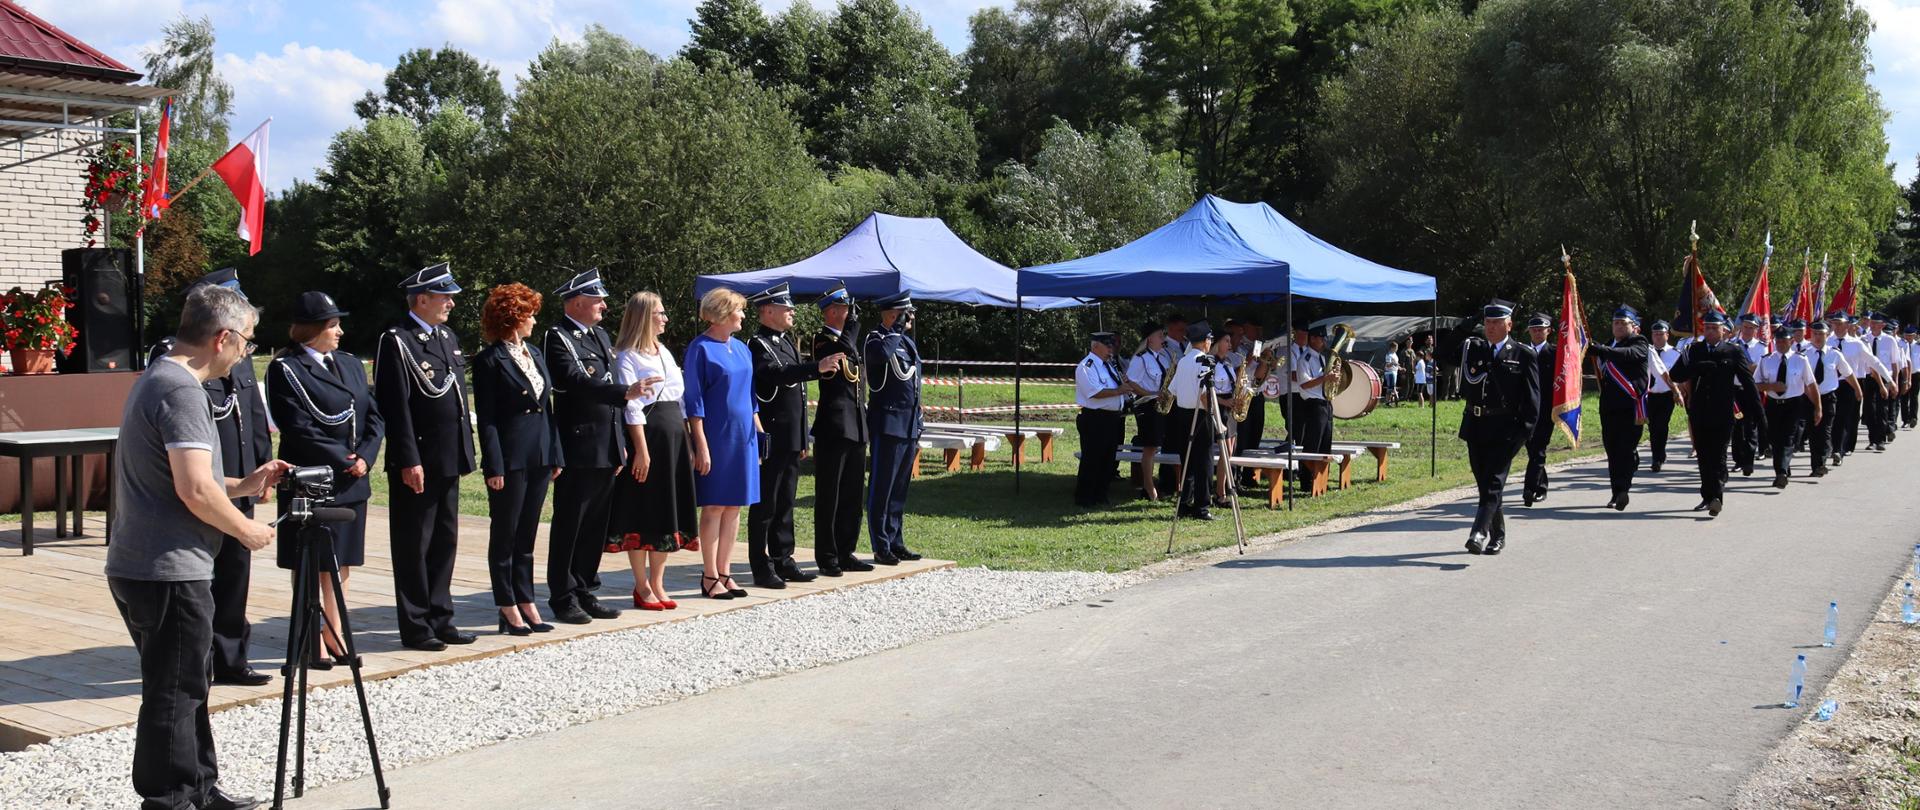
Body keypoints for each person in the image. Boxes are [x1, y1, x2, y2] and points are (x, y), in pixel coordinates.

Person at [109, 284, 291, 810]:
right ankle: (168, 799)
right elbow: (193, 490)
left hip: (149, 562)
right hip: (167, 567)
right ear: (223, 337)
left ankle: (200, 789)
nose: (246, 353)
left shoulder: (160, 378)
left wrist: (243, 483)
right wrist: (244, 528)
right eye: (248, 343)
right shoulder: (183, 390)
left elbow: (188, 478)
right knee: (174, 692)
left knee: (189, 683)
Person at [145, 268, 275, 688]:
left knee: (236, 574)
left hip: (234, 476)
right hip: (199, 478)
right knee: (205, 577)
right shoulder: (175, 363)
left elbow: (253, 417)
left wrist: (261, 467)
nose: (243, 345)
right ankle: (201, 659)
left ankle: (231, 657)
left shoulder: (238, 357)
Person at [267, 291, 385, 666]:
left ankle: (335, 631)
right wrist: (343, 458)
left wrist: (365, 457)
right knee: (310, 559)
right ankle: (309, 636)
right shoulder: (286, 368)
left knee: (342, 559)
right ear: (312, 329)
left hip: (353, 477)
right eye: (332, 325)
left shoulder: (349, 363)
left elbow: (373, 416)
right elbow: (297, 426)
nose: (340, 332)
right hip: (315, 477)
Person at [374, 262, 478, 651]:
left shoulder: (446, 336)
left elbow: (455, 401)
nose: (451, 302)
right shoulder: (397, 341)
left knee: (444, 540)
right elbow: (395, 406)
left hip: (448, 455)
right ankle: (416, 624)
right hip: (418, 458)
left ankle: (441, 616)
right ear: (422, 299)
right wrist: (407, 459)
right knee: (414, 543)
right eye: (444, 296)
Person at [543, 269, 650, 623]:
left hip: (606, 443)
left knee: (594, 525)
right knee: (571, 521)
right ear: (576, 302)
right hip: (578, 442)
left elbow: (609, 384)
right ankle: (562, 594)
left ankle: (584, 587)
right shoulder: (558, 337)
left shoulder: (600, 335)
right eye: (597, 300)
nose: (604, 305)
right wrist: (624, 393)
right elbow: (574, 382)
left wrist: (620, 442)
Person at [472, 283, 563, 635]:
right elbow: (488, 417)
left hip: (539, 452)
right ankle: (506, 604)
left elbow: (547, 408)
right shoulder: (489, 361)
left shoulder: (535, 354)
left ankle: (526, 600)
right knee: (506, 533)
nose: (534, 321)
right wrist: (494, 465)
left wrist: (554, 452)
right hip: (510, 456)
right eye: (529, 314)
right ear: (513, 317)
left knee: (527, 533)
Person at [746, 282, 840, 587]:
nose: (792, 312)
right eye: (786, 308)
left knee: (786, 501)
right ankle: (761, 566)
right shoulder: (758, 345)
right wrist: (817, 366)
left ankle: (783, 559)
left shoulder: (786, 342)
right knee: (766, 505)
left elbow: (798, 395)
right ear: (767, 311)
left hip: (790, 436)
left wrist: (802, 437)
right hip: (772, 435)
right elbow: (777, 375)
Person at [608, 291, 696, 608]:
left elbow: (681, 400)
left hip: (673, 434)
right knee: (643, 509)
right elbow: (631, 407)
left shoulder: (665, 353)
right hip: (648, 435)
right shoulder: (627, 356)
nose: (665, 318)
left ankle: (658, 582)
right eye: (660, 313)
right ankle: (641, 584)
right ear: (645, 316)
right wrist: (641, 450)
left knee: (666, 510)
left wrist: (688, 441)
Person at [686, 288, 763, 597]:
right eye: (738, 311)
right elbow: (694, 401)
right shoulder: (699, 348)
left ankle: (725, 571)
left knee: (735, 506)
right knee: (715, 506)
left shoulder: (742, 349)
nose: (743, 315)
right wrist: (700, 445)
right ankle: (708, 576)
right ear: (722, 313)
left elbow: (751, 395)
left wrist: (758, 432)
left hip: (744, 436)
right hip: (716, 437)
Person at [1457, 302, 1539, 555]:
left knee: (1493, 482)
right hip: (1476, 425)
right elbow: (1445, 351)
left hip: (1506, 429)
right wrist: (1468, 322)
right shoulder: (1475, 349)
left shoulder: (1524, 354)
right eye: (1488, 322)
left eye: (1496, 323)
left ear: (1509, 325)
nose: (1490, 327)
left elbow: (1533, 401)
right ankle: (1499, 535)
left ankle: (1478, 532)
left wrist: (1522, 435)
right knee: (1485, 483)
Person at [1668, 311, 1762, 516]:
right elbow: (1675, 374)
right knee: (1703, 456)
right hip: (1700, 410)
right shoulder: (1694, 349)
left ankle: (1717, 496)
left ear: (1724, 331)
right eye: (1707, 328)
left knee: (1718, 455)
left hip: (1723, 411)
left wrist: (1759, 413)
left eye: (1714, 328)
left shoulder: (1733, 351)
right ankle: (1707, 496)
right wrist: (1696, 368)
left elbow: (1748, 382)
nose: (1710, 331)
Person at [810, 283, 873, 576]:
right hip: (833, 429)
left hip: (856, 426)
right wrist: (852, 328)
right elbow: (843, 350)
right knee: (829, 496)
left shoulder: (848, 339)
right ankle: (827, 555)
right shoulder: (822, 340)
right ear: (833, 311)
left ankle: (846, 550)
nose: (850, 315)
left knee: (852, 495)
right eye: (846, 309)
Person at [863, 290, 925, 565]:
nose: (910, 317)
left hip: (909, 424)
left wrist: (919, 420)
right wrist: (895, 329)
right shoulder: (876, 339)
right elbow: (880, 358)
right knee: (882, 488)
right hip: (887, 424)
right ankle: (881, 544)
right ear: (891, 314)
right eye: (905, 313)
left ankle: (896, 540)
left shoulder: (907, 345)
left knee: (900, 489)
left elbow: (914, 382)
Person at [1586, 306, 1657, 511]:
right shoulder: (1608, 344)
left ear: (1633, 326)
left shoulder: (1639, 342)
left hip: (1631, 407)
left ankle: (1622, 490)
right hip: (1608, 407)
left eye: (1622, 323)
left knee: (1624, 449)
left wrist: (1600, 349)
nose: (1618, 326)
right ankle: (1616, 491)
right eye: (1615, 323)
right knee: (1612, 450)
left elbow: (1627, 355)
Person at [1755, 323, 1819, 488]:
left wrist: (1818, 407)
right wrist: (1771, 387)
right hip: (1773, 404)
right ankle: (1783, 468)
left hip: (1794, 404)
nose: (1781, 344)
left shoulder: (1801, 360)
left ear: (1791, 341)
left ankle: (1781, 473)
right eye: (1778, 341)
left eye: (1784, 341)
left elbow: (1811, 385)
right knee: (1776, 439)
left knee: (1789, 438)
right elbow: (1755, 384)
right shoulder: (1766, 360)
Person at [1075, 331, 1134, 507]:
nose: (1111, 349)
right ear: (1095, 346)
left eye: (1111, 345)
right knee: (1092, 458)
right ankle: (1085, 497)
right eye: (1107, 346)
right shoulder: (1087, 366)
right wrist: (1119, 391)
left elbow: (1118, 387)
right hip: (1095, 418)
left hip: (1112, 418)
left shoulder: (1108, 365)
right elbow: (1094, 393)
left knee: (1108, 459)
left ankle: (1101, 494)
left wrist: (1124, 385)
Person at [1167, 321, 1219, 521]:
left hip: (1183, 414)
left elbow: (1172, 390)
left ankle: (1185, 502)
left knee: (1187, 460)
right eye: (1210, 340)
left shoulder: (1183, 361)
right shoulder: (1204, 361)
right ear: (1205, 341)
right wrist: (1215, 417)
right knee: (1204, 461)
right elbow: (1205, 394)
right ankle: (1202, 506)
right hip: (1201, 414)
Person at [1804, 320, 1859, 478]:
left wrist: (1858, 389)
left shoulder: (1834, 353)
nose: (1818, 337)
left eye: (1821, 334)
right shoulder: (1803, 354)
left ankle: (1820, 465)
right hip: (1808, 398)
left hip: (1828, 397)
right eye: (1815, 334)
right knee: (1813, 433)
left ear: (1828, 335)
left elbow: (1848, 373)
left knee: (1825, 431)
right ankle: (1816, 463)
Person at [1126, 323, 1171, 501]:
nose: (1163, 339)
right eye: (1160, 336)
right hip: (1147, 405)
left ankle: (1155, 484)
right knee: (1150, 447)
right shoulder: (1141, 359)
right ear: (1149, 339)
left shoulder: (1161, 357)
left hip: (1159, 405)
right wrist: (1152, 394)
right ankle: (1148, 486)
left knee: (1155, 446)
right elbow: (1132, 383)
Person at [1521, 313, 1555, 506]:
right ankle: (1541, 486)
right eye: (1533, 329)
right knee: (1532, 450)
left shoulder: (1555, 353)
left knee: (1539, 450)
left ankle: (1529, 489)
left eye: (1540, 329)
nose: (1536, 332)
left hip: (1546, 410)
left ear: (1548, 331)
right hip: (1525, 409)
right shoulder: (1522, 351)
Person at [1861, 312, 1901, 451]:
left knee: (1882, 409)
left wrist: (1894, 382)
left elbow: (1895, 363)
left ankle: (1881, 440)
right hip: (1868, 377)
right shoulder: (1864, 339)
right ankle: (1872, 440)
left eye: (1876, 323)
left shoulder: (1890, 340)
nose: (1873, 325)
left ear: (1883, 325)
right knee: (1869, 410)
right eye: (1872, 322)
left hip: (1885, 378)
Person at [1646, 321, 1683, 473]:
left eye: (1661, 334)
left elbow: (1679, 376)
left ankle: (1657, 457)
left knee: (1661, 425)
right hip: (1649, 396)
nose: (1658, 337)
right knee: (1652, 427)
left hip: (1667, 395)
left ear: (1667, 335)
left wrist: (1678, 392)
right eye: (1655, 334)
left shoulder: (1675, 354)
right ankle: (1658, 453)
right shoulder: (1645, 351)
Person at [1732, 314, 1767, 475]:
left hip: (1751, 391)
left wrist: (1744, 366)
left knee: (1751, 426)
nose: (1747, 330)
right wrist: (1748, 366)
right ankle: (1738, 460)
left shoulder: (1761, 347)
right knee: (1737, 427)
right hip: (1735, 391)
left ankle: (1749, 461)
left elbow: (1759, 368)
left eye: (1751, 327)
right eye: (1745, 326)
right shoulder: (1733, 345)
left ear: (1756, 330)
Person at [1293, 325, 1334, 458]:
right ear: (1313, 339)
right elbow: (1304, 384)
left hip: (1325, 403)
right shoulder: (1305, 359)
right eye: (1322, 339)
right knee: (1313, 443)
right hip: (1313, 404)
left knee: (1325, 443)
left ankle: (1320, 477)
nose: (1324, 342)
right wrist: (1326, 377)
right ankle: (1307, 477)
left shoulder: (1321, 358)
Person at [1904, 323, 1920, 429]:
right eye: (1907, 335)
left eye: (1911, 335)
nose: (1909, 337)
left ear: (1915, 335)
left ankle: (1913, 417)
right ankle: (1906, 419)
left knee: (1914, 396)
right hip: (1904, 374)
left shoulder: (1918, 346)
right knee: (1904, 397)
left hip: (1916, 374)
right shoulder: (1901, 344)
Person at [1382, 340, 1402, 406]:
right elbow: (1387, 365)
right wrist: (1393, 363)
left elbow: (1396, 364)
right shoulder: (1389, 355)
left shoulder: (1395, 354)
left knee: (1392, 387)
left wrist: (1400, 368)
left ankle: (1391, 402)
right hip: (1390, 373)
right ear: (1392, 348)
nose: (1397, 349)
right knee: (1391, 388)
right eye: (1396, 348)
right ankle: (1389, 402)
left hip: (1395, 372)